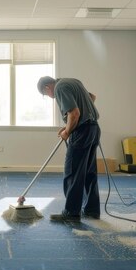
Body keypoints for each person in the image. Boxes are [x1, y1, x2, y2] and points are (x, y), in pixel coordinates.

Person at [37, 76, 101, 222]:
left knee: (72, 171)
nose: (50, 96)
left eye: (46, 94)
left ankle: (71, 213)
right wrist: (68, 126)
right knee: (89, 172)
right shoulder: (74, 81)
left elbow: (75, 113)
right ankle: (92, 210)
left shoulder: (60, 88)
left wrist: (67, 131)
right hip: (94, 129)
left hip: (82, 132)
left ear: (47, 87)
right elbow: (92, 97)